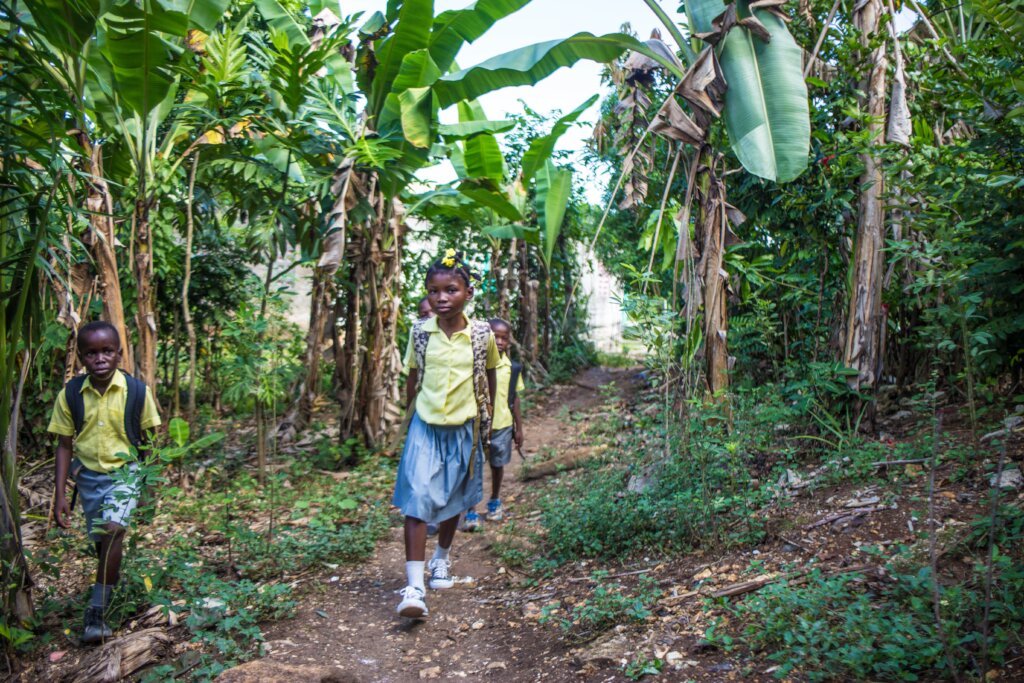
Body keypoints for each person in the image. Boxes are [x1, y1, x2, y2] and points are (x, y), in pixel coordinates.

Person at [392, 249, 499, 619]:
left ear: (468, 293)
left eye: (451, 290)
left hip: (464, 427)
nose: (441, 298)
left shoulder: (482, 334)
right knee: (418, 498)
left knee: (454, 498)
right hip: (425, 426)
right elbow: (413, 378)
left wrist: (488, 419)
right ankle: (414, 587)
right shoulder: (420, 333)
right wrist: (409, 418)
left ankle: (441, 559)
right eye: (433, 291)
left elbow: (489, 376)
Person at [49, 321, 161, 644]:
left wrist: (149, 489)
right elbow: (64, 445)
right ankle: (112, 583)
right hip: (88, 477)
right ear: (82, 357)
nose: (100, 359)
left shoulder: (136, 392)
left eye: (107, 351)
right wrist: (60, 495)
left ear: (119, 354)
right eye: (91, 353)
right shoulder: (71, 395)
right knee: (104, 541)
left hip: (126, 472)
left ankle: (96, 612)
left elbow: (150, 442)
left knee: (113, 531)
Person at [462, 318, 525, 529]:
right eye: (494, 337)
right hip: (476, 425)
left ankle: (495, 500)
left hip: (502, 425)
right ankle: (471, 510)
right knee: (474, 467)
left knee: (497, 465)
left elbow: (515, 398)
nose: (499, 341)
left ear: (509, 341)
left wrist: (519, 429)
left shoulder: (512, 367)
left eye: (504, 338)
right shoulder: (474, 363)